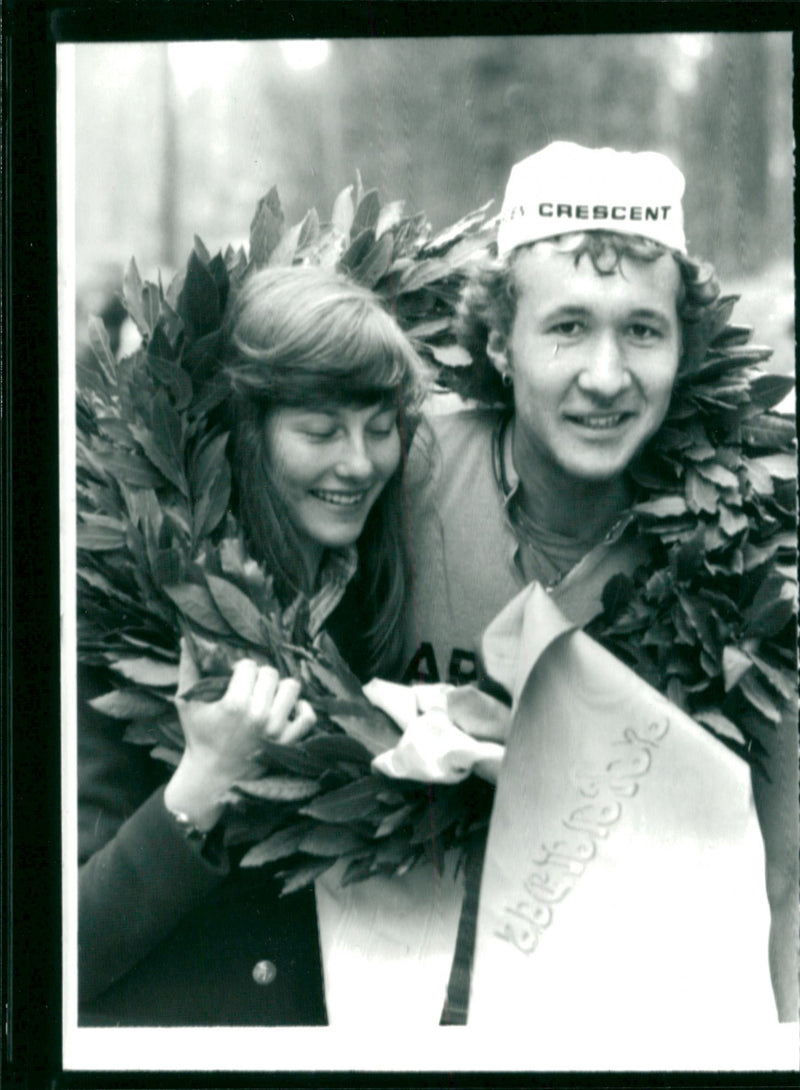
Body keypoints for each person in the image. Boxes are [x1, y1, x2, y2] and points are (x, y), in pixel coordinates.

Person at [402, 142, 797, 1023]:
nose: (608, 377)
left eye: (643, 331)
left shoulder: (740, 542)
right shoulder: (405, 473)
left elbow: (784, 875)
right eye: (568, 326)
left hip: (632, 1008)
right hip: (406, 992)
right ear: (501, 341)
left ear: (684, 346)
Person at [78, 265, 426, 1025]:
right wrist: (203, 780)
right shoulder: (120, 618)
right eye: (320, 429)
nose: (360, 462)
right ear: (250, 432)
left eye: (379, 425)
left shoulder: (376, 593)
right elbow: (56, 956)